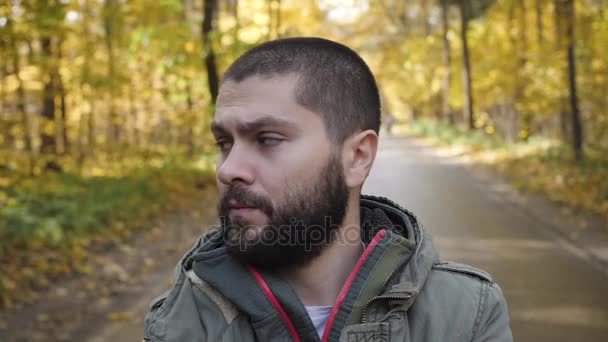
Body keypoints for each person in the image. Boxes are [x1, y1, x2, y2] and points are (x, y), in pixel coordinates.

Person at [143, 37, 512, 342]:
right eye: (224, 142)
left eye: (267, 139)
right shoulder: (184, 317)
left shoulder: (464, 314)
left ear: (356, 157)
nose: (228, 169)